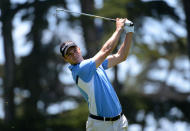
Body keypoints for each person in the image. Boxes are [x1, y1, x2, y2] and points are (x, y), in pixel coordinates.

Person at [60, 18, 134, 131]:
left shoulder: (94, 64)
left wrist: (129, 31)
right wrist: (119, 29)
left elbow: (121, 56)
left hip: (120, 122)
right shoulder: (80, 69)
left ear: (79, 49)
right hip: (100, 125)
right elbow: (106, 50)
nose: (73, 54)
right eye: (69, 54)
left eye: (74, 50)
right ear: (65, 59)